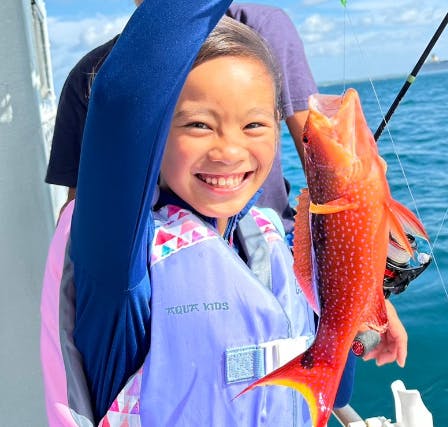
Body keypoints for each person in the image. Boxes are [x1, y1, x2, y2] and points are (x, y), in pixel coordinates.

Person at [39, 1, 407, 425]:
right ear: (151, 138)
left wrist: (363, 299)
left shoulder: (272, 249)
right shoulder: (123, 269)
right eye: (198, 124)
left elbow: (335, 386)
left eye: (254, 125)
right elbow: (124, 99)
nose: (229, 151)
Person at [45, 1, 314, 238]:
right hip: (157, 264)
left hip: (274, 242)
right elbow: (80, 206)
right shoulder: (92, 75)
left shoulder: (265, 27)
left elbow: (320, 155)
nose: (228, 153)